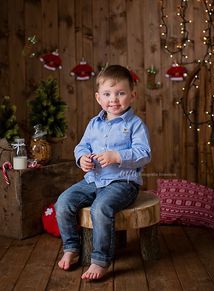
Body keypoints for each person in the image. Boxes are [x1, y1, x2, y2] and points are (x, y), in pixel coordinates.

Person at [55, 64, 151, 280]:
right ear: (99, 98)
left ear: (132, 95)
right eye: (107, 94)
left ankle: (100, 260)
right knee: (63, 202)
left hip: (122, 182)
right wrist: (82, 159)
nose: (114, 99)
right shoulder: (94, 124)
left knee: (100, 208)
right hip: (93, 179)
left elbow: (144, 153)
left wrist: (117, 157)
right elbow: (82, 146)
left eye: (121, 93)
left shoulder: (135, 125)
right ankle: (71, 247)